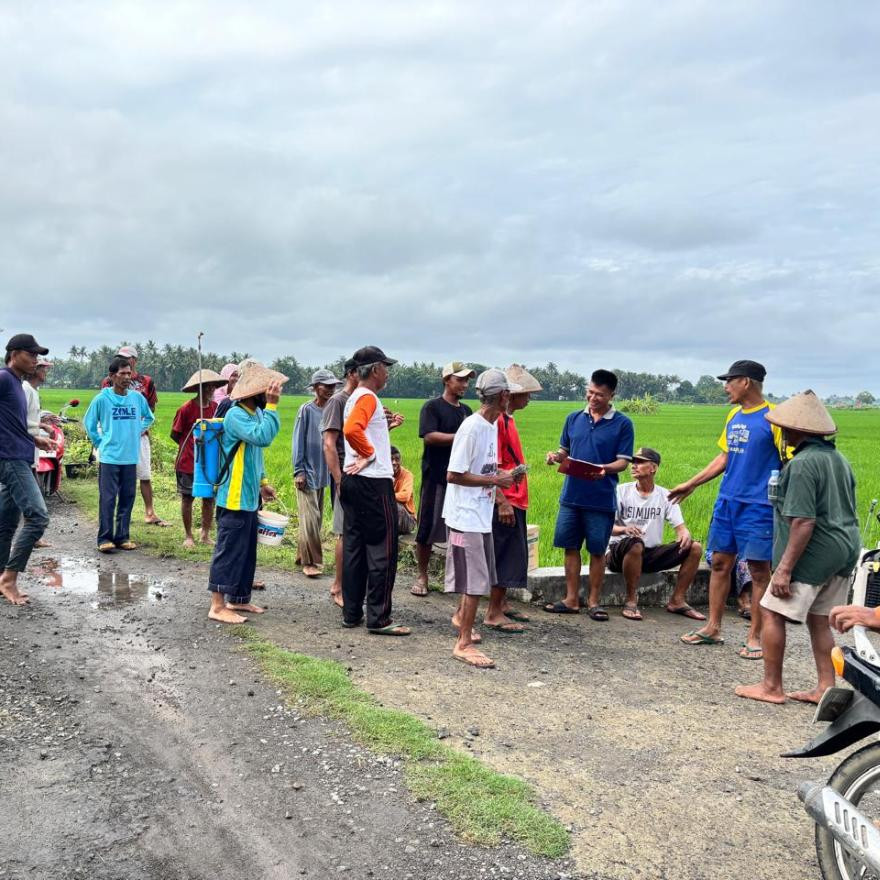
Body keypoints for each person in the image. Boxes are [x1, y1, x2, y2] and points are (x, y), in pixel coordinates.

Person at [735, 391, 860, 705]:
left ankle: (771, 686)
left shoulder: (802, 464)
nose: (784, 432)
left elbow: (803, 521)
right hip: (844, 548)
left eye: (788, 428)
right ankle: (825, 687)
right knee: (819, 618)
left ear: (799, 430)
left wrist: (785, 569)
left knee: (771, 610)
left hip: (814, 552)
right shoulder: (837, 459)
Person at [669, 360, 783, 655]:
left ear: (746, 382)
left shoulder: (775, 418)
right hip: (727, 502)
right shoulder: (734, 415)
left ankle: (755, 636)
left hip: (758, 506)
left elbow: (790, 461)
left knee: (759, 570)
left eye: (729, 381)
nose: (725, 387)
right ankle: (713, 627)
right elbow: (724, 458)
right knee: (720, 563)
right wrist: (692, 483)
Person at [544, 369, 635, 619]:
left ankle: (594, 601)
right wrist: (555, 457)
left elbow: (623, 462)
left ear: (611, 395)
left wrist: (604, 469)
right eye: (590, 392)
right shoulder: (574, 419)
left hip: (601, 499)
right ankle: (571, 599)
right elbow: (565, 450)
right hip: (572, 497)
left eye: (600, 395)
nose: (593, 398)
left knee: (597, 551)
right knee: (570, 547)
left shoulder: (623, 424)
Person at [444, 369, 519, 668]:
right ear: (502, 396)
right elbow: (454, 474)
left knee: (476, 578)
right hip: (465, 516)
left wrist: (500, 480)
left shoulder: (492, 425)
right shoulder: (472, 428)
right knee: (475, 582)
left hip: (479, 512)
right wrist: (495, 482)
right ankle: (462, 642)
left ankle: (463, 624)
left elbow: (485, 470)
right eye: (509, 394)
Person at [207, 361, 286, 624]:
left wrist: (263, 482)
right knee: (229, 550)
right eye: (267, 392)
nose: (270, 395)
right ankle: (217, 606)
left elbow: (256, 453)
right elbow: (263, 438)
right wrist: (273, 406)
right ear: (256, 393)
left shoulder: (256, 415)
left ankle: (239, 599)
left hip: (251, 496)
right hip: (233, 495)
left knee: (246, 550)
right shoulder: (236, 415)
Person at [340, 346, 409, 635]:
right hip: (373, 482)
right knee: (382, 548)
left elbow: (359, 430)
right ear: (376, 369)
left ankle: (352, 612)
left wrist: (381, 433)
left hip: (352, 480)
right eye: (385, 367)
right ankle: (379, 617)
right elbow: (352, 430)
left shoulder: (354, 397)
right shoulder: (368, 397)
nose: (388, 372)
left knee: (355, 547)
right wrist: (369, 453)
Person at [605, 447, 705, 622]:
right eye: (633, 462)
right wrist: (624, 529)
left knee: (695, 548)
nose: (633, 466)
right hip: (618, 553)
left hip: (648, 554)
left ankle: (677, 600)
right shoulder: (621, 491)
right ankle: (630, 600)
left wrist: (684, 533)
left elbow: (680, 527)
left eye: (640, 462)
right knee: (635, 543)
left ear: (653, 468)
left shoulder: (665, 495)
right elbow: (606, 526)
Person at [485, 364, 542, 633]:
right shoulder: (497, 422)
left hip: (516, 495)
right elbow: (491, 465)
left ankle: (502, 603)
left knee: (510, 552)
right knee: (504, 553)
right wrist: (502, 501)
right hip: (507, 497)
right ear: (509, 395)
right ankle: (493, 611)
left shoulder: (508, 419)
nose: (529, 398)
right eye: (525, 394)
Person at [412, 361, 475, 596]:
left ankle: (457, 577)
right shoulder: (432, 407)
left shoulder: (467, 411)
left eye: (467, 380)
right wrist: (460, 437)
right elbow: (429, 436)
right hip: (436, 476)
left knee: (460, 529)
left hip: (462, 479)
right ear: (447, 380)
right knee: (427, 526)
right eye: (460, 379)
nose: (464, 384)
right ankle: (422, 575)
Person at [0, 335, 54, 605]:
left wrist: (35, 439)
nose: (36, 360)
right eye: (31, 355)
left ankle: (0, 576)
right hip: (10, 460)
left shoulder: (18, 386)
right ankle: (9, 579)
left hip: (20, 454)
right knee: (38, 516)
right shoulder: (3, 378)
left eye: (37, 355)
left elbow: (11, 423)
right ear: (14, 354)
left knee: (6, 524)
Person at [84, 356, 155, 553]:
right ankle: (105, 538)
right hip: (109, 457)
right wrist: (100, 442)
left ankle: (122, 536)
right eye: (122, 373)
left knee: (127, 496)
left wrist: (137, 429)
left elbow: (149, 417)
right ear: (112, 376)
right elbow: (89, 423)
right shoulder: (102, 399)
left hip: (130, 456)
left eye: (128, 373)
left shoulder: (137, 398)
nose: (126, 377)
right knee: (108, 498)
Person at [101, 345, 166, 527]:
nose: (123, 362)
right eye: (119, 357)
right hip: (116, 436)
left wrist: (138, 425)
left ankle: (149, 511)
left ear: (134, 361)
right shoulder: (108, 381)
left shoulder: (146, 381)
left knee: (144, 473)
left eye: (126, 358)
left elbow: (151, 407)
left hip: (139, 435)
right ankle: (116, 515)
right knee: (117, 475)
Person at [170, 369, 228, 548]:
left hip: (208, 461)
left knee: (209, 498)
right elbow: (175, 434)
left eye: (213, 386)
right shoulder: (186, 409)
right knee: (187, 498)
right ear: (199, 388)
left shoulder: (214, 409)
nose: (210, 389)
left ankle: (205, 533)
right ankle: (188, 535)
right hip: (188, 461)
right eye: (207, 386)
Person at [292, 369, 340, 577]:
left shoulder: (332, 410)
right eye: (326, 386)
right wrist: (299, 470)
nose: (330, 389)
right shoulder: (307, 410)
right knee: (310, 518)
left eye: (332, 386)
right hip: (307, 471)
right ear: (315, 388)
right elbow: (297, 441)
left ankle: (302, 554)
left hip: (324, 473)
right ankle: (310, 563)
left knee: (315, 518)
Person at [321, 358, 359, 607]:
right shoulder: (338, 401)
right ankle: (338, 586)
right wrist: (338, 479)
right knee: (344, 533)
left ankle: (351, 585)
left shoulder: (363, 401)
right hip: (346, 475)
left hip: (361, 475)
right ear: (353, 374)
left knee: (356, 533)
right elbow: (329, 443)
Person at [23, 356, 54, 547]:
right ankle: (31, 537)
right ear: (34, 369)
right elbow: (19, 421)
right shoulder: (25, 390)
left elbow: (28, 418)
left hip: (30, 452)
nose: (46, 372)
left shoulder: (33, 390)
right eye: (43, 368)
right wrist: (38, 434)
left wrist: (43, 424)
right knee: (32, 498)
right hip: (24, 452)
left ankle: (33, 537)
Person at [391, 446, 416, 535]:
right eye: (391, 459)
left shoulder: (407, 475)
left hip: (408, 519)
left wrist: (386, 496)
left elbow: (405, 496)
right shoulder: (382, 474)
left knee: (394, 506)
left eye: (397, 459)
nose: (394, 462)